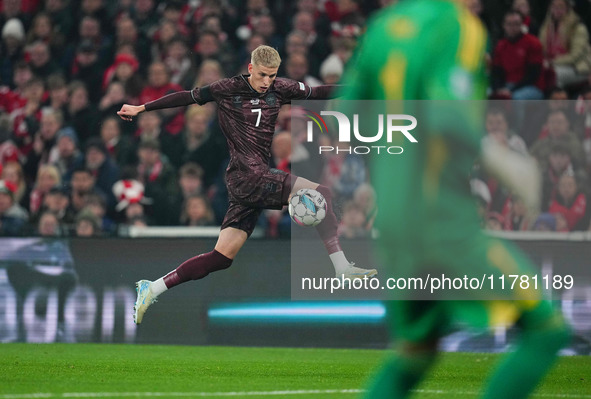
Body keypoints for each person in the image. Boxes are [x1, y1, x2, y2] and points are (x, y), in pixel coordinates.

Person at [339, 1, 570, 398]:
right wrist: (501, 158)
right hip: (440, 220)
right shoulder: (458, 25)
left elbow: (343, 112)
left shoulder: (383, 26)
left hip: (392, 222)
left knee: (414, 354)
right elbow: (447, 111)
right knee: (546, 330)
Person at [118, 45, 377, 324]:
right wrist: (142, 107)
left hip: (250, 181)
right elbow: (186, 98)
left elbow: (321, 91)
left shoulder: (282, 88)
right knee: (321, 192)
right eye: (263, 75)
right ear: (251, 68)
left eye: (272, 76)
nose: (267, 82)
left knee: (221, 257)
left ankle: (153, 287)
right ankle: (341, 267)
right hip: (247, 175)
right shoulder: (227, 88)